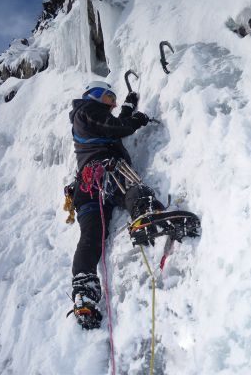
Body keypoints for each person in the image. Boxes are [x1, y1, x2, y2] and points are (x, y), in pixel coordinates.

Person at [68, 81, 164, 329]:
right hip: (107, 170)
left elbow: (111, 126)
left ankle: (84, 294)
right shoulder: (87, 108)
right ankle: (145, 215)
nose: (112, 103)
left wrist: (129, 107)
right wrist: (137, 119)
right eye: (109, 97)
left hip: (87, 188)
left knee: (91, 236)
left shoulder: (86, 117)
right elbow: (117, 128)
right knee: (135, 189)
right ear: (95, 95)